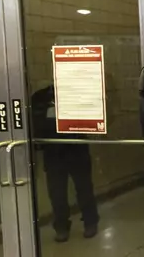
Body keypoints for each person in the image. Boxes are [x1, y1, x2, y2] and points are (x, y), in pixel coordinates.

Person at [31, 85, 100, 242]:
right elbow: (35, 121)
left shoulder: (78, 94)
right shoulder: (41, 97)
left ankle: (90, 222)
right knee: (57, 193)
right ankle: (61, 227)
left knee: (84, 188)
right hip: (53, 152)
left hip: (76, 149)